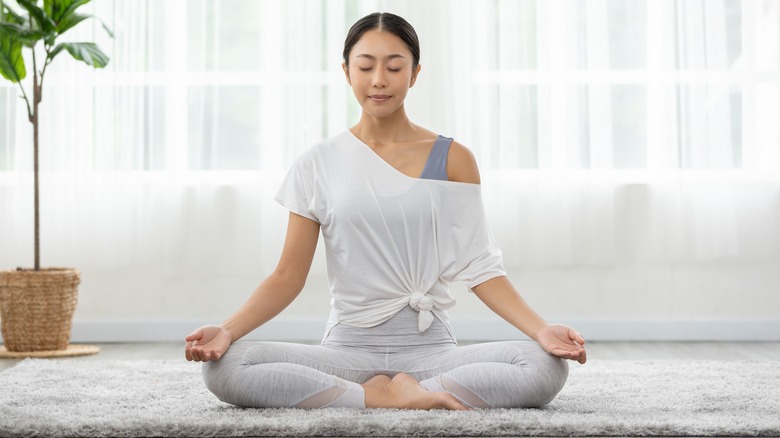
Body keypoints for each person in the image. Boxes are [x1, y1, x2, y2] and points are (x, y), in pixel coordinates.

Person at [185, 11, 586, 411]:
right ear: (347, 72)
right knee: (228, 367)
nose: (379, 80)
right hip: (347, 352)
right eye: (365, 67)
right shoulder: (317, 163)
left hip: (430, 352)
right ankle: (381, 395)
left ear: (414, 74)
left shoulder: (453, 159)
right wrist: (227, 330)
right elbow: (287, 276)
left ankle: (376, 394)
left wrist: (541, 329)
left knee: (542, 366)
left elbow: (481, 268)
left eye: (394, 67)